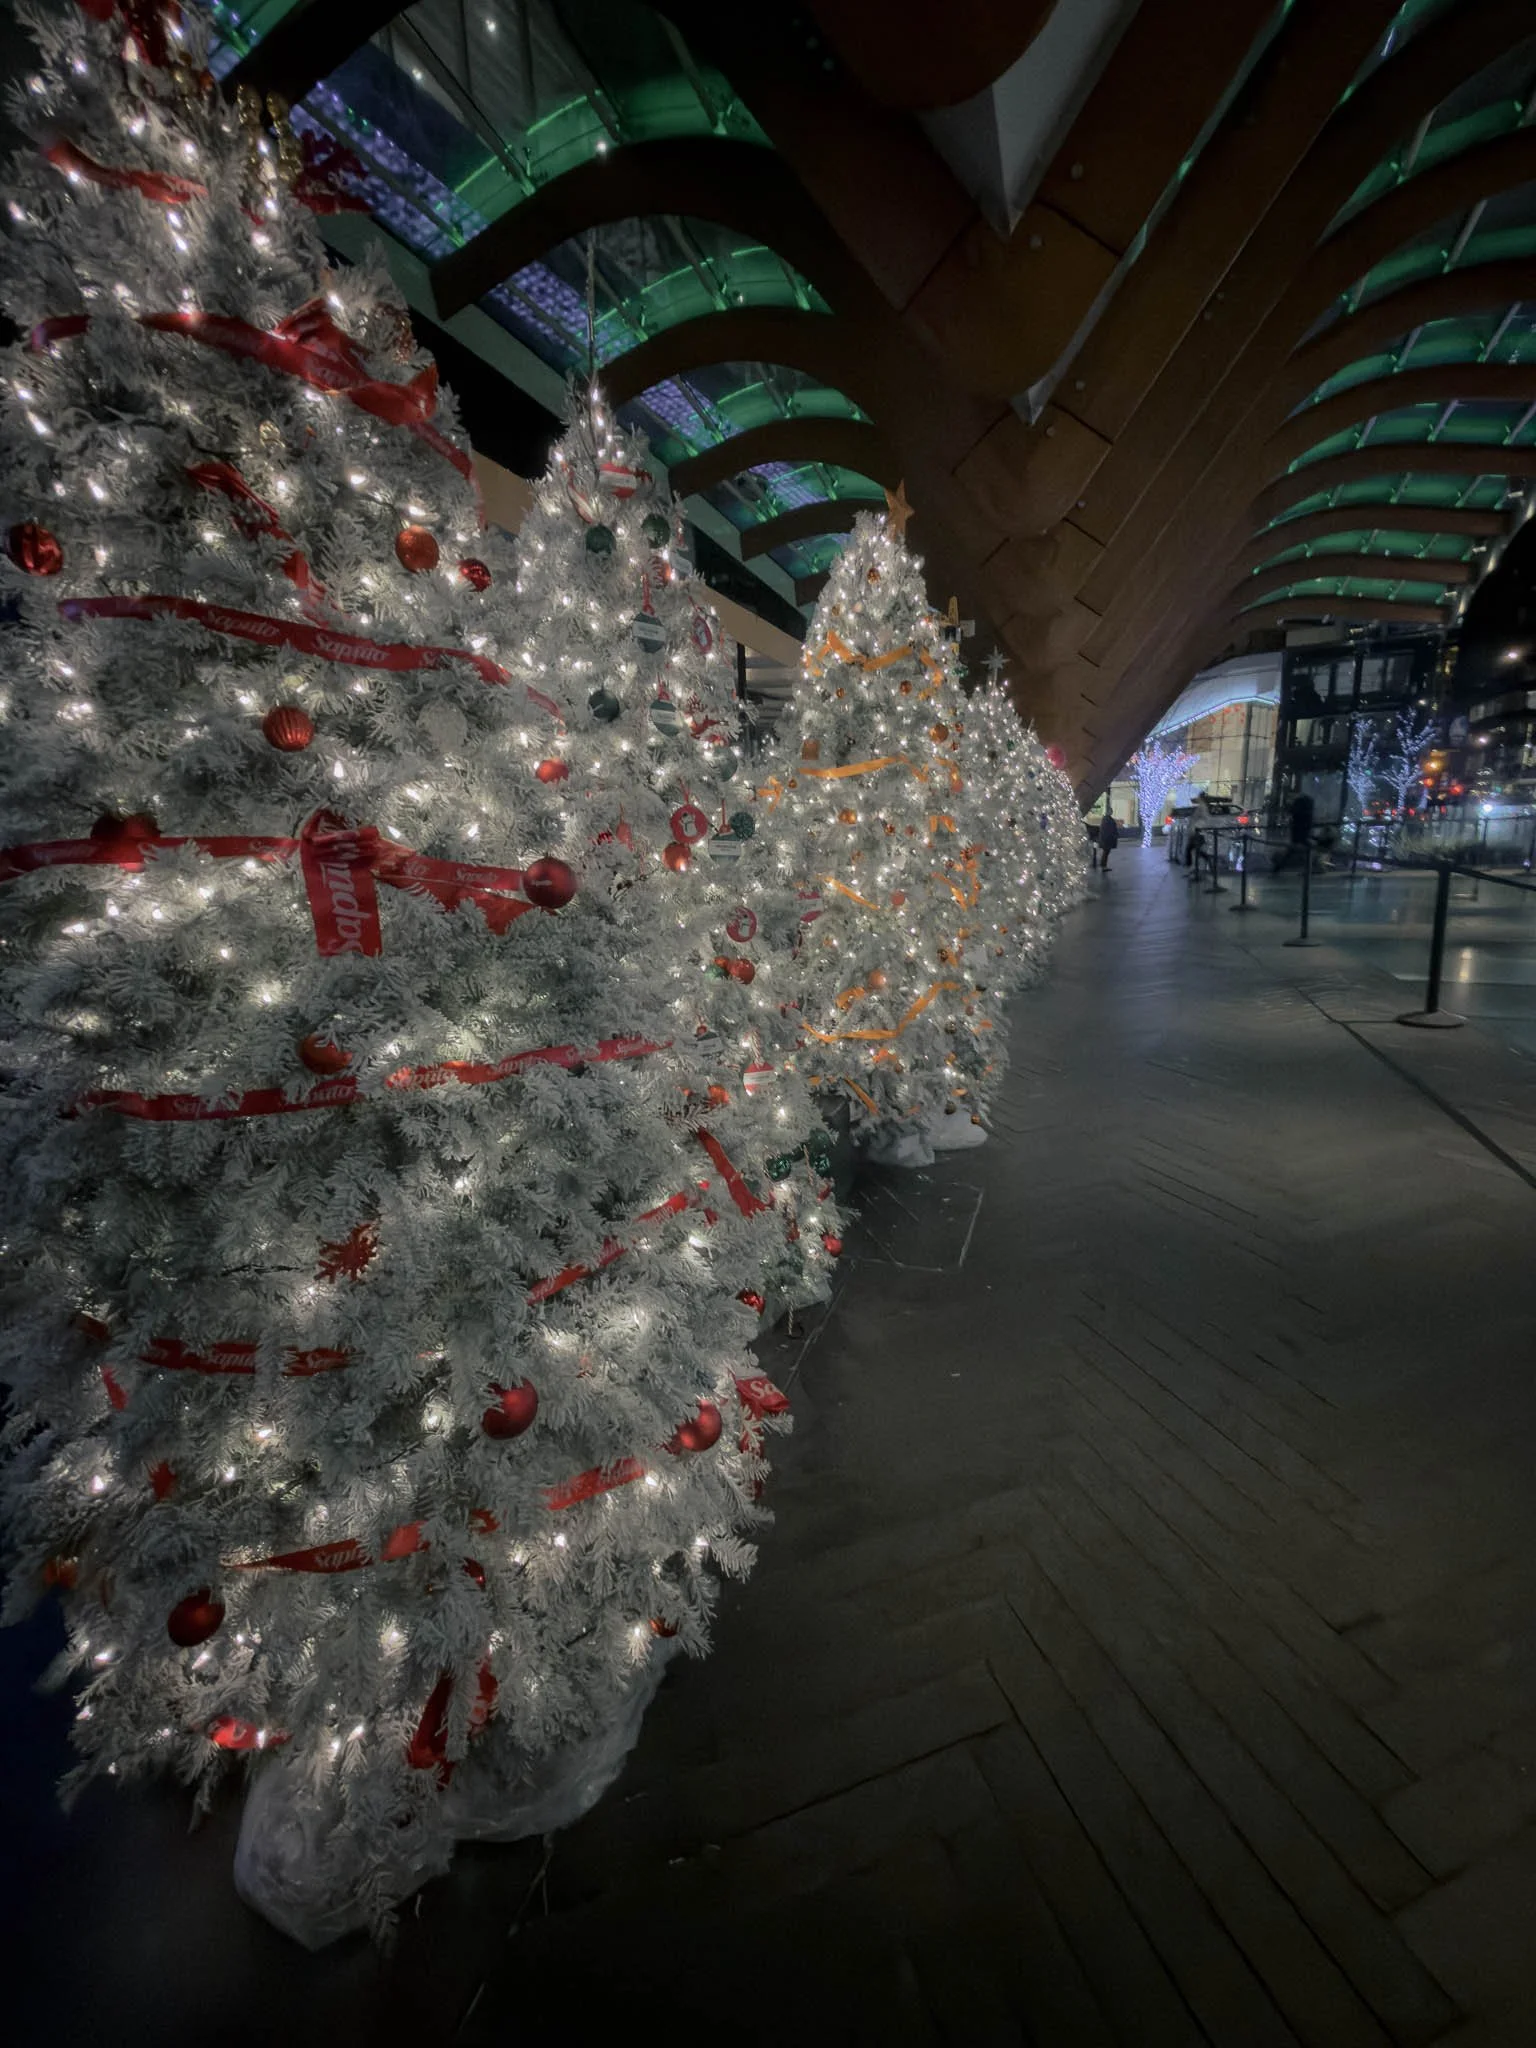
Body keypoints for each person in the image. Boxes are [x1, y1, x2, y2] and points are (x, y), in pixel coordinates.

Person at [1097, 806, 1120, 873]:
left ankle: (1103, 865)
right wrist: (1113, 835)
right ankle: (1103, 866)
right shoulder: (1107, 819)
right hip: (1107, 840)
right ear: (1108, 812)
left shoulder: (1106, 819)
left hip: (1106, 840)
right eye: (1111, 811)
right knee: (1106, 853)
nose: (1111, 812)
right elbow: (1108, 830)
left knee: (1106, 853)